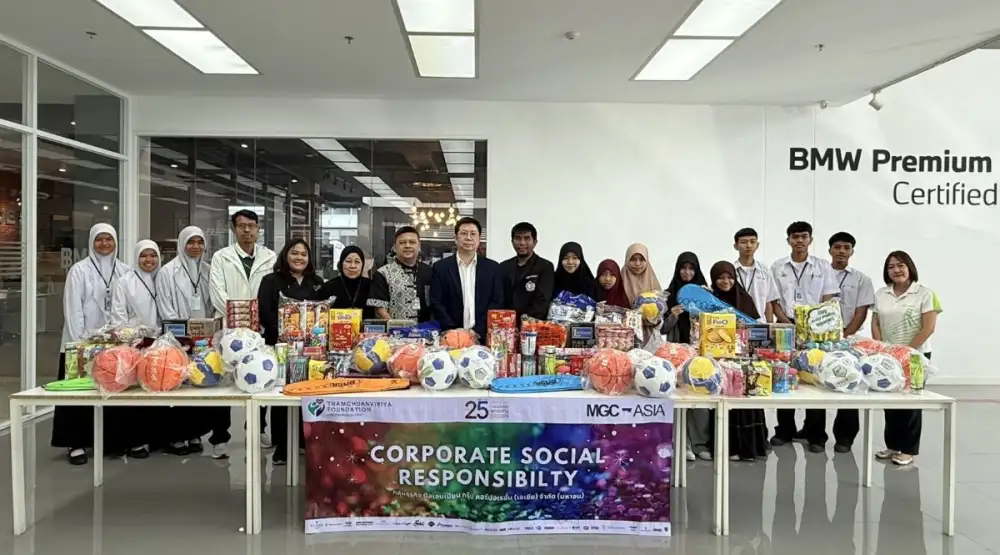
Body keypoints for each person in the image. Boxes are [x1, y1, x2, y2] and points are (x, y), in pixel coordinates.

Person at [51, 223, 130, 465]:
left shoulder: (124, 271)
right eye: (99, 239)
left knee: (112, 392)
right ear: (92, 242)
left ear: (116, 242)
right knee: (79, 394)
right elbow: (73, 309)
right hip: (81, 344)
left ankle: (112, 441)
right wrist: (83, 343)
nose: (104, 244)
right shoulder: (79, 271)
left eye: (109, 239)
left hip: (112, 345)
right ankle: (75, 443)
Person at [209, 209, 277, 459]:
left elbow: (272, 292)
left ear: (258, 229)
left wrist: (258, 318)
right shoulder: (221, 257)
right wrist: (239, 317)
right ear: (233, 229)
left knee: (260, 377)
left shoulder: (270, 257)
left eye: (251, 226)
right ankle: (219, 437)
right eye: (241, 226)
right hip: (229, 329)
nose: (247, 230)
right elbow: (217, 293)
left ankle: (258, 429)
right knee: (224, 382)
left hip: (260, 329)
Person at [769, 221, 840, 453]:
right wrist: (786, 322)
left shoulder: (822, 266)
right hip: (786, 327)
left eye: (804, 236)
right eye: (795, 237)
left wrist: (814, 323)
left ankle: (816, 434)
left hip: (816, 330)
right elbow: (774, 300)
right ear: (788, 240)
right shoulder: (778, 266)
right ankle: (785, 430)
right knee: (784, 376)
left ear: (810, 240)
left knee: (815, 378)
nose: (799, 240)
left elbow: (829, 298)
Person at [258, 239, 325, 465]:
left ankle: (304, 440)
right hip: (280, 345)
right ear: (285, 255)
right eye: (294, 253)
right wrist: (287, 330)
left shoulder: (316, 283)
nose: (299, 258)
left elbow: (323, 312)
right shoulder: (270, 281)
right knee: (282, 393)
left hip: (311, 348)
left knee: (306, 392)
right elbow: (264, 312)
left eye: (304, 254)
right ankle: (282, 446)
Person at [872, 251, 940, 466]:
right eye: (891, 267)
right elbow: (875, 323)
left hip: (916, 356)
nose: (896, 270)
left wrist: (907, 351)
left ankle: (908, 450)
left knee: (911, 402)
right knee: (890, 400)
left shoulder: (925, 294)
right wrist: (881, 347)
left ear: (910, 267)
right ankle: (893, 445)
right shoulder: (881, 294)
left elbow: (928, 328)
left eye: (900, 265)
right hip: (888, 355)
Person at [709, 261, 768, 461]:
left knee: (746, 401)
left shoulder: (745, 299)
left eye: (729, 277)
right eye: (720, 278)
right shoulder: (710, 300)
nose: (725, 281)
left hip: (743, 360)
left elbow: (757, 331)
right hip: (719, 361)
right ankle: (727, 447)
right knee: (723, 402)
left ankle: (749, 448)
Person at [825, 231, 877, 453]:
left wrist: (844, 336)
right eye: (837, 247)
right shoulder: (819, 274)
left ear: (852, 252)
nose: (841, 251)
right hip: (819, 339)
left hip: (848, 340)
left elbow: (860, 313)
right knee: (815, 384)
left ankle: (845, 438)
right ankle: (813, 433)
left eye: (846, 248)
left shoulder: (862, 280)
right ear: (830, 250)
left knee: (849, 384)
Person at [429, 217, 504, 339]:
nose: (468, 238)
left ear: (479, 239)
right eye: (464, 233)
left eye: (473, 234)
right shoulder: (440, 268)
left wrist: (477, 330)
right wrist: (454, 331)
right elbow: (436, 301)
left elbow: (497, 301)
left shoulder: (493, 268)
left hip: (483, 337)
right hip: (450, 336)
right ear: (456, 239)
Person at [368, 226, 433, 322]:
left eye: (412, 242)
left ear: (419, 246)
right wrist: (398, 327)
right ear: (394, 247)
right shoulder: (383, 273)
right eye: (402, 242)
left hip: (426, 329)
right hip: (395, 329)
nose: (407, 246)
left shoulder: (429, 271)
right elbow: (381, 311)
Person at [499, 222, 554, 321]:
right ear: (512, 241)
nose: (522, 243)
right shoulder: (503, 267)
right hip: (506, 323)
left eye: (527, 238)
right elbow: (499, 298)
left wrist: (525, 321)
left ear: (535, 242)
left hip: (533, 324)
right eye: (518, 238)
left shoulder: (545, 267)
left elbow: (542, 300)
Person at [157, 226, 213, 320]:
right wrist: (180, 327)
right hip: (178, 328)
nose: (196, 246)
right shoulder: (167, 272)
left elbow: (213, 305)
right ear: (182, 244)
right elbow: (165, 307)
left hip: (205, 326)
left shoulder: (208, 270)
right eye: (190, 242)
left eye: (200, 242)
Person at [733, 227, 780, 322]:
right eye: (743, 242)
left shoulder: (764, 270)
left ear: (757, 245)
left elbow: (768, 301)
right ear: (736, 246)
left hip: (759, 324)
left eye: (752, 242)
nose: (749, 245)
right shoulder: (731, 271)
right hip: (736, 323)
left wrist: (769, 325)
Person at [663, 252, 707, 344]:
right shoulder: (668, 295)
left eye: (691, 268)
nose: (687, 272)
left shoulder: (704, 293)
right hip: (677, 349)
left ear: (696, 271)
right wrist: (673, 315)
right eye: (683, 268)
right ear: (677, 269)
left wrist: (709, 299)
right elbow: (663, 329)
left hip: (702, 347)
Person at [321, 245, 376, 318]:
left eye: (357, 262)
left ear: (362, 265)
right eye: (348, 261)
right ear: (341, 263)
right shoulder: (328, 287)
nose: (352, 266)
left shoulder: (371, 286)